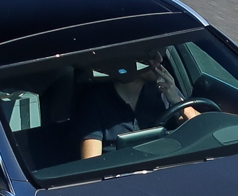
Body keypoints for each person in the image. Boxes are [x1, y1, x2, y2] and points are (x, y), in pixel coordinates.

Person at [75, 56, 204, 159]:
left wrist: (177, 100)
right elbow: (92, 163)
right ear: (127, 62)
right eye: (151, 56)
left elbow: (203, 129)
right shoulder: (95, 102)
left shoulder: (163, 91)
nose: (160, 59)